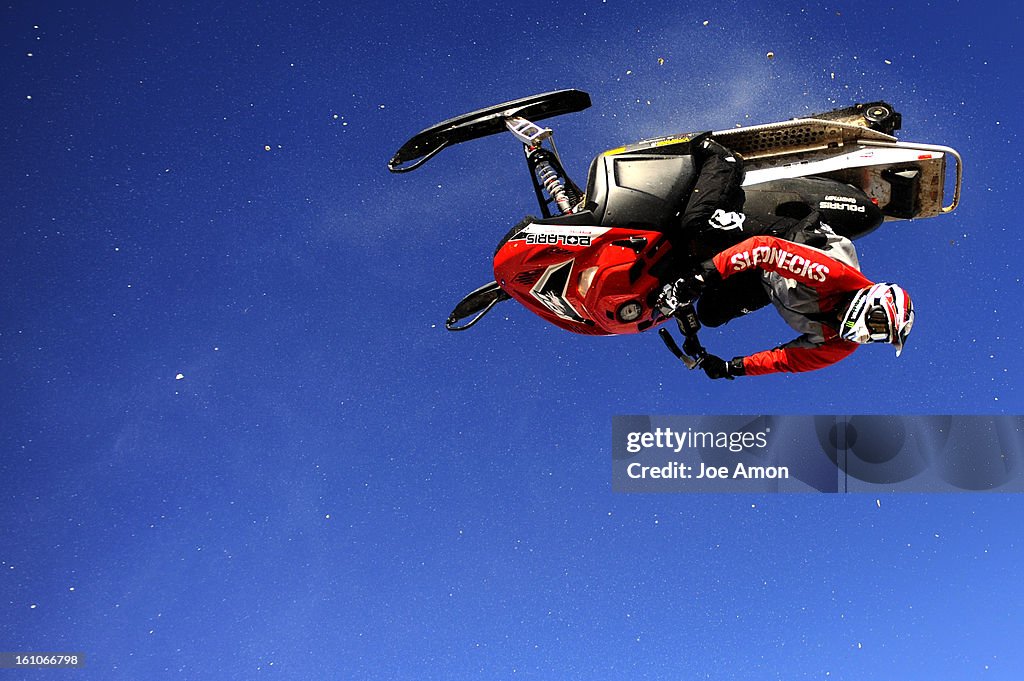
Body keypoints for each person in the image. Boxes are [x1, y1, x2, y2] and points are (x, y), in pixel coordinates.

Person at [656, 226, 915, 378]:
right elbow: (766, 249)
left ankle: (680, 281)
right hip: (782, 236)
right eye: (878, 325)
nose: (867, 335)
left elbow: (785, 360)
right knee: (696, 231)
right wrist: (703, 275)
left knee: (710, 314)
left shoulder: (838, 347)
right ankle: (720, 160)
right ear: (875, 300)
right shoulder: (834, 277)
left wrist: (730, 367)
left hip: (767, 282)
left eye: (877, 338)